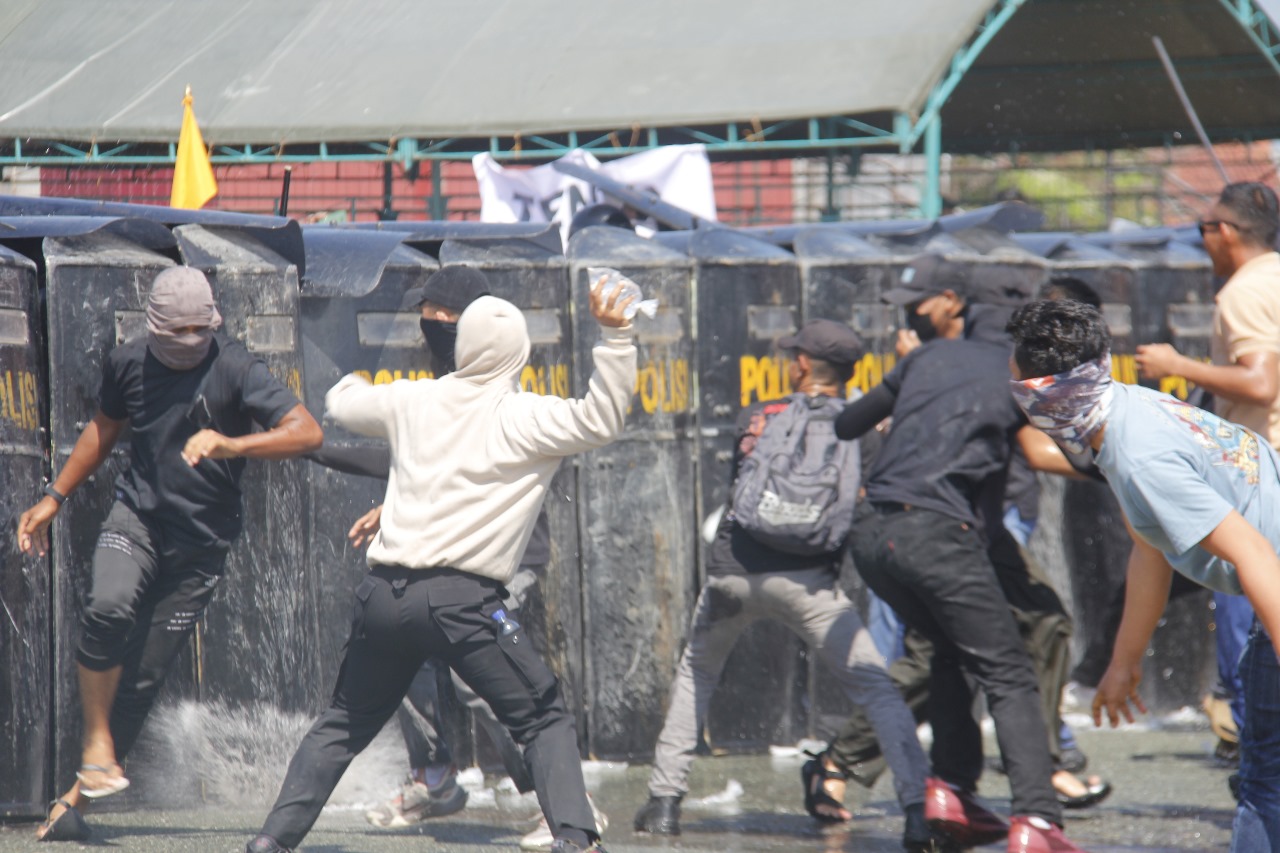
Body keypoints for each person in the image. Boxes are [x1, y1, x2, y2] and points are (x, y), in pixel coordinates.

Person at [245, 278, 637, 853]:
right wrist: (617, 335)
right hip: (463, 603)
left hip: (384, 595)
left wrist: (355, 378)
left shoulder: (413, 400)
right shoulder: (527, 415)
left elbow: (343, 402)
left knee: (343, 723)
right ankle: (577, 841)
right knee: (543, 714)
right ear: (519, 352)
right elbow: (602, 418)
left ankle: (271, 842)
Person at [17, 267, 323, 842]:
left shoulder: (235, 366)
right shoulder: (129, 361)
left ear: (214, 323)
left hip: (201, 545)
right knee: (107, 606)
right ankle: (95, 741)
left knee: (145, 676)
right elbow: (104, 429)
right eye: (174, 331)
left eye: (197, 330)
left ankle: (75, 799)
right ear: (151, 326)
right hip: (138, 518)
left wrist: (234, 442)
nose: (187, 341)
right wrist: (55, 497)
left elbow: (307, 432)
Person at [632, 319, 934, 853]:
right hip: (813, 585)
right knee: (877, 689)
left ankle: (663, 804)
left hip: (735, 574)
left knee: (698, 674)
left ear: (800, 367)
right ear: (852, 373)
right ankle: (916, 812)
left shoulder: (759, 415)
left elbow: (738, 494)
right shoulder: (865, 429)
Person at [831, 255, 1089, 852]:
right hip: (940, 535)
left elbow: (849, 424)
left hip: (874, 537)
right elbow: (1059, 454)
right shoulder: (1014, 373)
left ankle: (953, 792)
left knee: (949, 656)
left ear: (965, 311)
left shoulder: (923, 358)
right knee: (1009, 671)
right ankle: (1037, 819)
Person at [1006, 297, 1280, 852]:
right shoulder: (1128, 411)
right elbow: (1149, 550)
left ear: (1045, 392)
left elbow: (1253, 554)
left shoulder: (1137, 453)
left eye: (1018, 386)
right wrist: (1125, 663)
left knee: (1265, 780)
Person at [1135, 182, 1280, 762]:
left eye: (1203, 229)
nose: (1202, 241)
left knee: (1244, 597)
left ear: (1225, 233)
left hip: (1262, 469)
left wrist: (1175, 363)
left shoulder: (1242, 293)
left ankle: (1257, 746)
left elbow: (1261, 382)